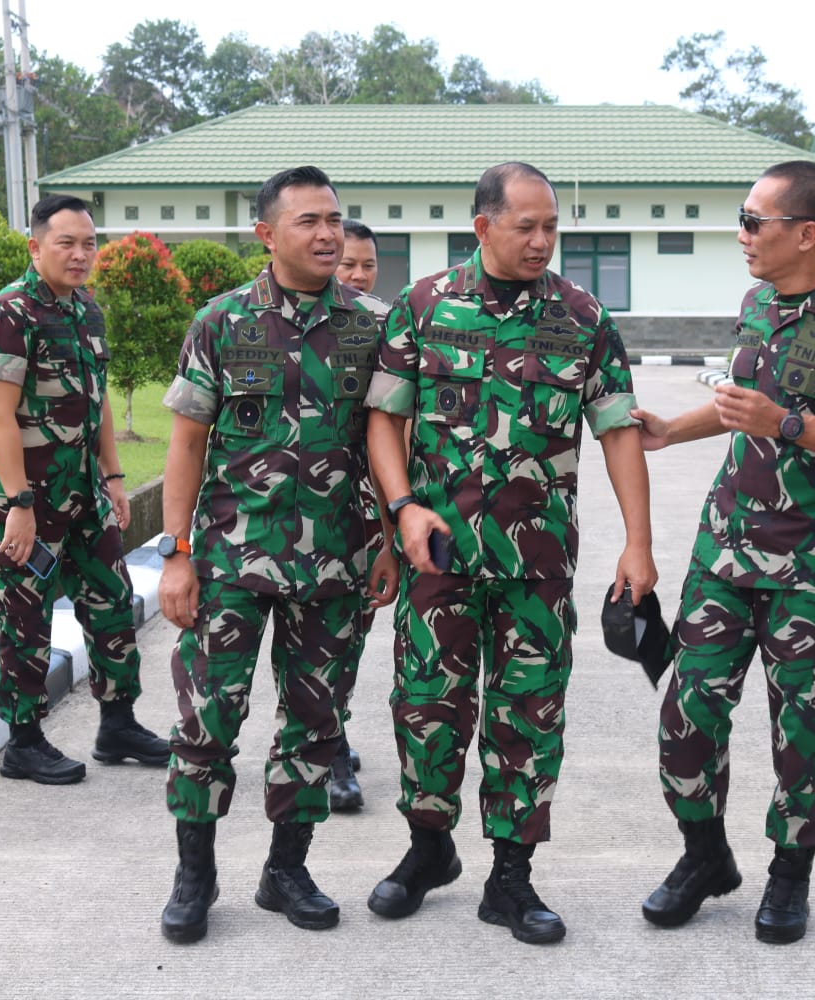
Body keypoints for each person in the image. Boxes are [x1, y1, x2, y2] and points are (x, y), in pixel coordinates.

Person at [363, 161, 657, 945]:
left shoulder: (582, 316)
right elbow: (383, 421)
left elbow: (619, 429)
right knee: (427, 707)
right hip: (439, 557)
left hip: (538, 561)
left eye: (552, 226)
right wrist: (402, 506)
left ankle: (511, 876)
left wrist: (639, 542)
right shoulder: (422, 307)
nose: (542, 241)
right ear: (483, 225)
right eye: (526, 225)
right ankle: (428, 851)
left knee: (527, 713)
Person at [631, 161, 815, 944]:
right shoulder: (758, 302)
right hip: (725, 547)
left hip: (813, 562)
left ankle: (790, 874)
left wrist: (788, 424)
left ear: (806, 233)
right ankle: (704, 855)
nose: (742, 235)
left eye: (754, 221)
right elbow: (739, 410)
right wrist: (670, 431)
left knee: (802, 726)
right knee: (686, 707)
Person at [156, 166, 395, 944]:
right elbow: (187, 441)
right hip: (230, 562)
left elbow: (391, 442)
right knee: (207, 720)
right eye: (308, 222)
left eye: (334, 219)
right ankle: (196, 873)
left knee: (317, 725)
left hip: (336, 564)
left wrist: (387, 541)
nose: (328, 234)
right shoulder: (221, 324)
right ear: (266, 234)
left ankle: (286, 869)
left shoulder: (373, 326)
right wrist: (177, 552)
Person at [0, 194, 169, 786]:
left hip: (84, 492)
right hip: (29, 500)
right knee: (25, 616)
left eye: (89, 243)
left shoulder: (86, 311)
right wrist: (20, 505)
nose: (81, 255)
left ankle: (118, 723)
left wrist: (112, 478)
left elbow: (99, 400)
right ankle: (24, 742)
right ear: (36, 247)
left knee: (112, 600)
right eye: (67, 243)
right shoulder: (6, 314)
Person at [324, 217, 394, 813]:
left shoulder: (384, 326)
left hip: (366, 512)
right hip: (297, 519)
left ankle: (331, 729)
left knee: (352, 632)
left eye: (367, 265)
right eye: (348, 264)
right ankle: (332, 747)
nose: (356, 274)